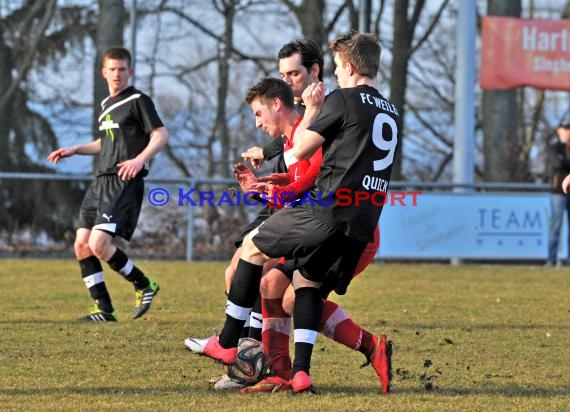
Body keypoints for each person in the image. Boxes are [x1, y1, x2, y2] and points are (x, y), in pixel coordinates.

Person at [188, 31, 399, 394]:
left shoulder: (341, 101)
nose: (336, 76)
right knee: (294, 287)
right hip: (361, 221)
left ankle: (227, 342)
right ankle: (295, 374)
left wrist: (314, 110)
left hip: (327, 212)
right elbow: (338, 158)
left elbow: (300, 151)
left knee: (252, 249)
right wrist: (277, 174)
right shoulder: (390, 110)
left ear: (348, 67)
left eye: (336, 69)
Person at [47, 46, 169, 321]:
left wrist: (140, 160)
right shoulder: (106, 106)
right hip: (100, 180)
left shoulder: (139, 100)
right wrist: (75, 149)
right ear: (104, 72)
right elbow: (106, 143)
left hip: (123, 180)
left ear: (130, 71)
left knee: (99, 243)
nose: (117, 74)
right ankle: (104, 309)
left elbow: (161, 134)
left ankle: (143, 284)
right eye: (112, 69)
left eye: (122, 69)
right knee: (81, 244)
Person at [546, 119, 570, 267]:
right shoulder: (556, 148)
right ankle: (551, 259)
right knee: (556, 225)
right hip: (558, 192)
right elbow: (558, 163)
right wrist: (562, 142)